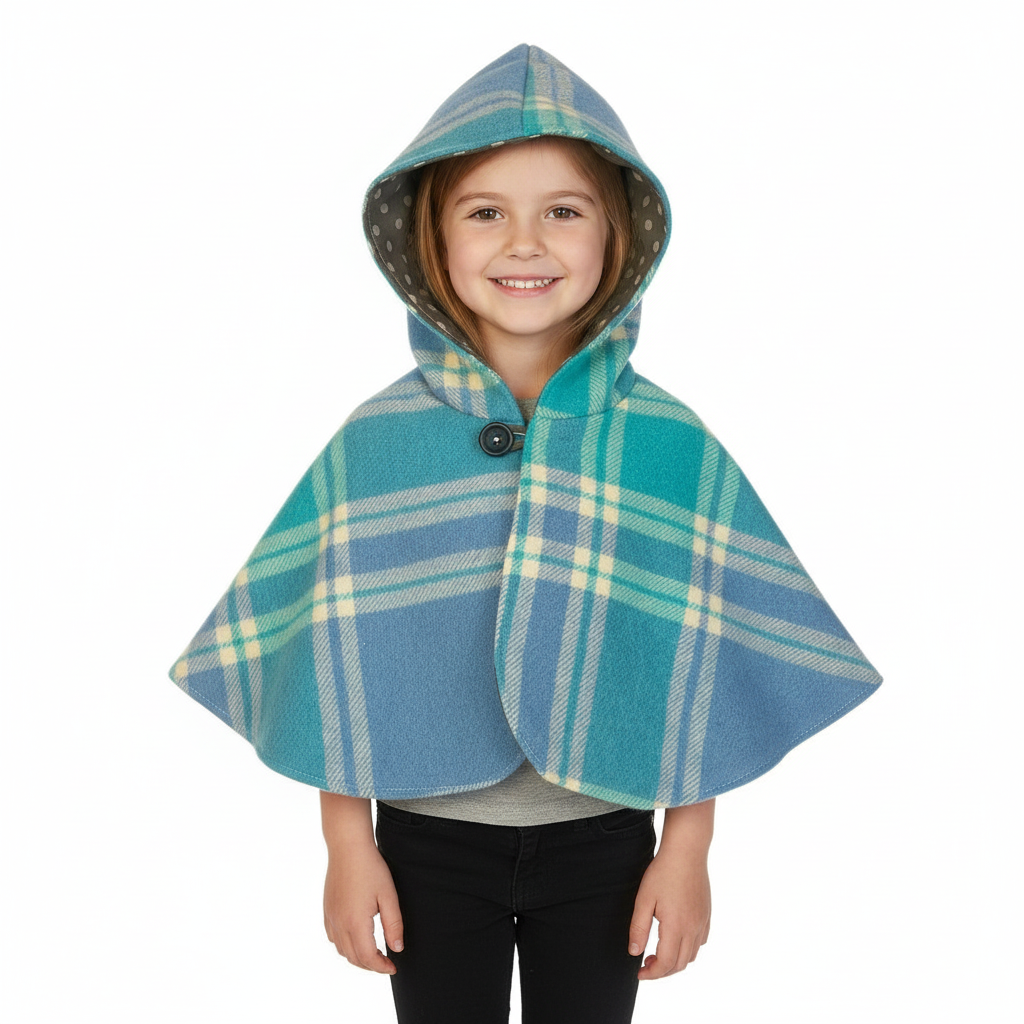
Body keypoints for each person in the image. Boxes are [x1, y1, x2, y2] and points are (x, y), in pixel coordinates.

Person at [170, 44, 881, 1024]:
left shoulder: (664, 441)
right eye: (485, 212)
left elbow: (695, 667)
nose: (524, 243)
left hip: (605, 840)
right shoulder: (378, 442)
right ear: (430, 239)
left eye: (563, 210)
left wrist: (687, 851)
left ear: (620, 236)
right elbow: (334, 664)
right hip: (423, 844)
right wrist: (345, 845)